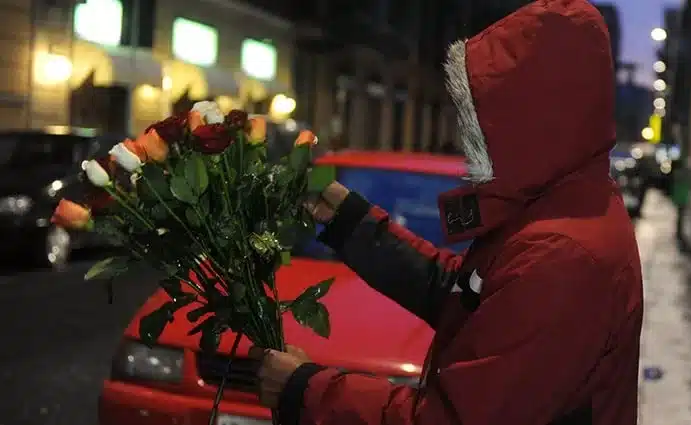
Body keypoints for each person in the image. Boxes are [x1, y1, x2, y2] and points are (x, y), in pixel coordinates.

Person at [250, 1, 644, 424]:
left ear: (528, 118)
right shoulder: (552, 206)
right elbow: (462, 294)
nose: (465, 134)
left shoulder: (562, 254)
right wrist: (348, 218)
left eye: (479, 117)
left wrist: (306, 389)